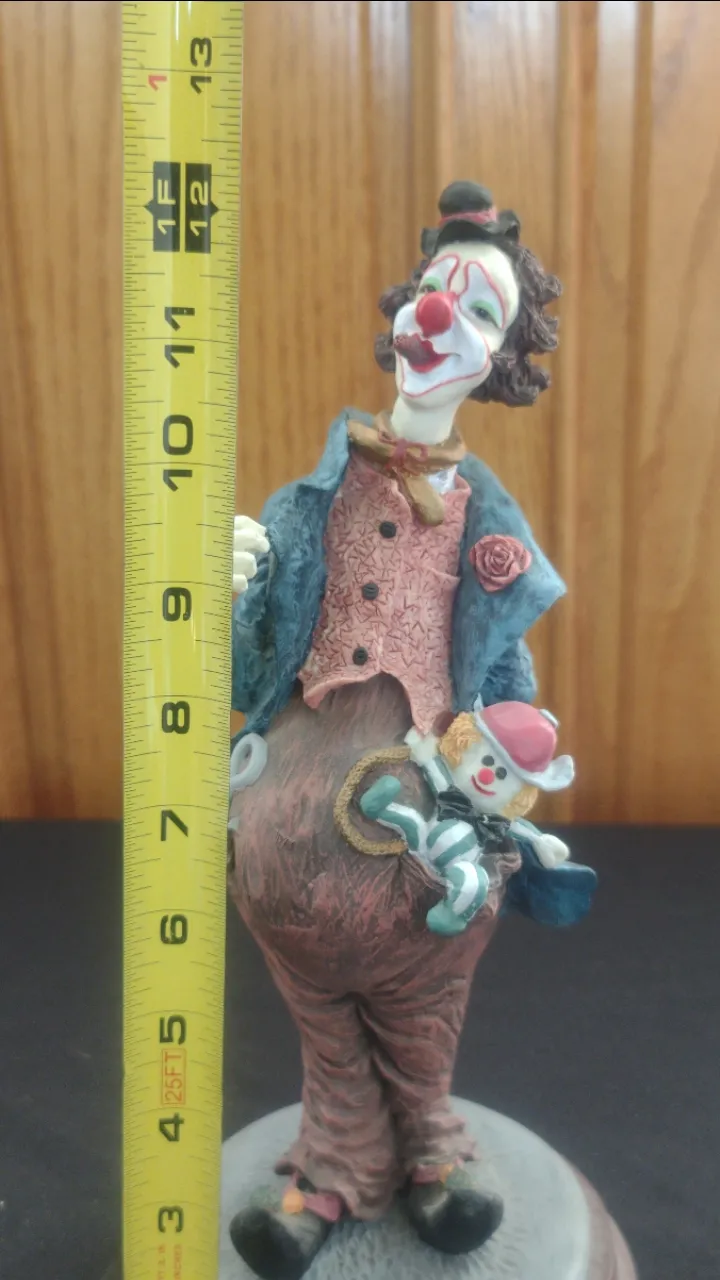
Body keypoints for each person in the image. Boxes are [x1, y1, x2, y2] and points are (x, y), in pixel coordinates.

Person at [227, 181, 568, 1280]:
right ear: (403, 309)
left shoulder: (489, 532)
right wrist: (230, 596)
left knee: (424, 998)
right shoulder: (308, 504)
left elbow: (502, 677)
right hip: (282, 849)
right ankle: (337, 1156)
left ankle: (429, 1141)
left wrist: (515, 773)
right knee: (322, 1019)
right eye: (433, 289)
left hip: (428, 846)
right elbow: (245, 673)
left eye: (478, 309)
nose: (440, 316)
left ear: (501, 357)